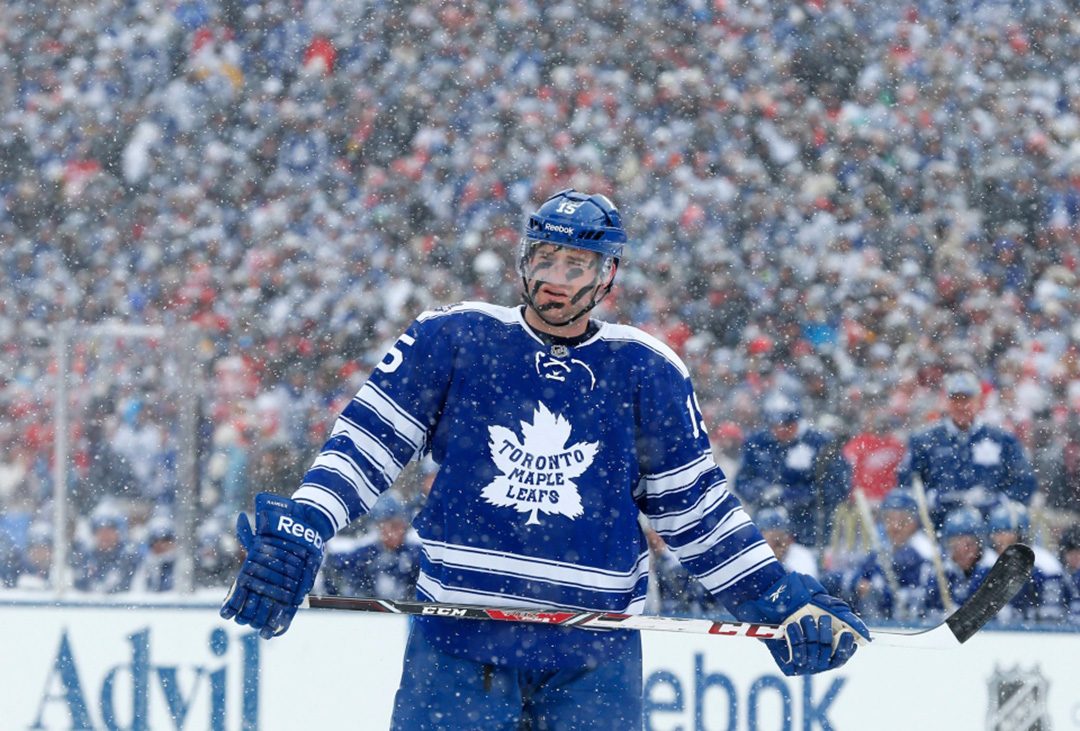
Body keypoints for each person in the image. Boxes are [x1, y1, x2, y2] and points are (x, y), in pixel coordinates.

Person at [219, 189, 869, 730]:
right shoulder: (453, 338)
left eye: (577, 264)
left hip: (593, 658)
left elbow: (698, 512)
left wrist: (777, 598)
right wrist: (307, 522)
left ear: (608, 275)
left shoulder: (647, 371)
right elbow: (366, 444)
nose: (556, 278)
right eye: (546, 257)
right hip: (456, 645)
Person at [897, 371, 1037, 530]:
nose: (961, 406)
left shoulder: (1002, 439)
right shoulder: (925, 440)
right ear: (946, 402)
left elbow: (1025, 481)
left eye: (966, 400)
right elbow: (906, 482)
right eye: (955, 400)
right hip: (938, 528)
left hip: (991, 530)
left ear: (979, 401)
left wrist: (999, 501)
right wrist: (933, 499)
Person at [734, 392, 851, 548]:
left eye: (787, 425)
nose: (780, 431)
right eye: (775, 426)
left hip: (811, 532)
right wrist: (762, 492)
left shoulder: (820, 443)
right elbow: (741, 481)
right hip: (766, 531)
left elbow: (840, 486)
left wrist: (801, 495)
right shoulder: (758, 443)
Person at [844, 490, 934, 621]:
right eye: (889, 519)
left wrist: (881, 593)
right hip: (883, 626)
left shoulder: (925, 552)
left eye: (902, 521)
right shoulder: (882, 550)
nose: (895, 527)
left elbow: (924, 596)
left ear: (915, 522)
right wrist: (857, 583)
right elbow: (856, 575)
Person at [320, 491, 422, 600]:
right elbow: (336, 566)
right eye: (391, 526)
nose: (396, 532)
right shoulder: (367, 554)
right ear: (379, 526)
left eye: (400, 525)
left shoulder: (415, 555)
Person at [984, 501, 1067, 624]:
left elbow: (1052, 618)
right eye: (996, 533)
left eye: (1005, 532)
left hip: (1034, 637)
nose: (999, 538)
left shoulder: (1045, 566)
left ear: (1020, 534)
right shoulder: (985, 565)